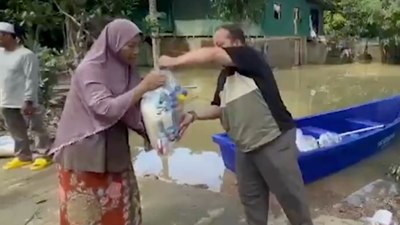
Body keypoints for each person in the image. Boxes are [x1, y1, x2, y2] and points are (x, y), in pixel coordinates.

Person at [159, 24, 314, 225]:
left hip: (274, 142)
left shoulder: (250, 58)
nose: (218, 48)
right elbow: (218, 108)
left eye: (221, 44)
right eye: (216, 45)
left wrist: (174, 61)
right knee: (251, 202)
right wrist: (193, 115)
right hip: (245, 149)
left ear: (237, 44)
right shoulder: (224, 77)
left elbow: (213, 55)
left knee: (292, 200)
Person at [50, 19, 165, 225]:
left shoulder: (126, 69)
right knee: (87, 209)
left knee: (119, 204)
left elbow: (130, 111)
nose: (136, 51)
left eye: (138, 45)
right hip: (84, 149)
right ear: (113, 43)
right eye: (130, 46)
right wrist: (144, 87)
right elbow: (104, 109)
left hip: (114, 146)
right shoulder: (90, 70)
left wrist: (157, 133)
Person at [0, 21, 52, 171]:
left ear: (11, 36)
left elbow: (31, 78)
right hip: (6, 99)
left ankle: (43, 154)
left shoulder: (26, 55)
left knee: (36, 127)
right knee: (15, 129)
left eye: (1, 35)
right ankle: (23, 156)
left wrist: (28, 99)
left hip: (25, 99)